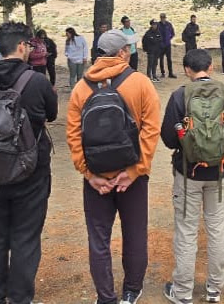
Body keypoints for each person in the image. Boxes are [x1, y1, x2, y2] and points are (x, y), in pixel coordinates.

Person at [67, 30, 161, 304]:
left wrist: (88, 173)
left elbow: (74, 135)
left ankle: (106, 297)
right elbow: (150, 131)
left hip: (96, 178)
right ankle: (131, 290)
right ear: (122, 53)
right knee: (134, 233)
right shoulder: (141, 83)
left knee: (98, 239)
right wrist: (134, 171)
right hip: (132, 175)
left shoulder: (81, 87)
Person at [0, 22, 58, 304]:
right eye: (29, 45)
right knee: (26, 237)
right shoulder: (36, 81)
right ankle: (20, 298)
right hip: (31, 171)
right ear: (22, 46)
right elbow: (52, 114)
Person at [161, 49, 224, 304]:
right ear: (211, 66)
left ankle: (183, 292)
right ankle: (215, 288)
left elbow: (167, 138)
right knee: (217, 229)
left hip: (188, 173)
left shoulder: (179, 96)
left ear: (187, 70)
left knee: (186, 231)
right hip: (219, 173)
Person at [158, 13, 177, 79]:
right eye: (161, 17)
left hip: (168, 45)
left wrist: (169, 38)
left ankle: (170, 73)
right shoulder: (158, 25)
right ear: (160, 18)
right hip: (160, 45)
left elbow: (172, 33)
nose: (163, 19)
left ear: (165, 18)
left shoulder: (169, 24)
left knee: (169, 59)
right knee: (161, 59)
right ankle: (162, 73)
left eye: (164, 17)